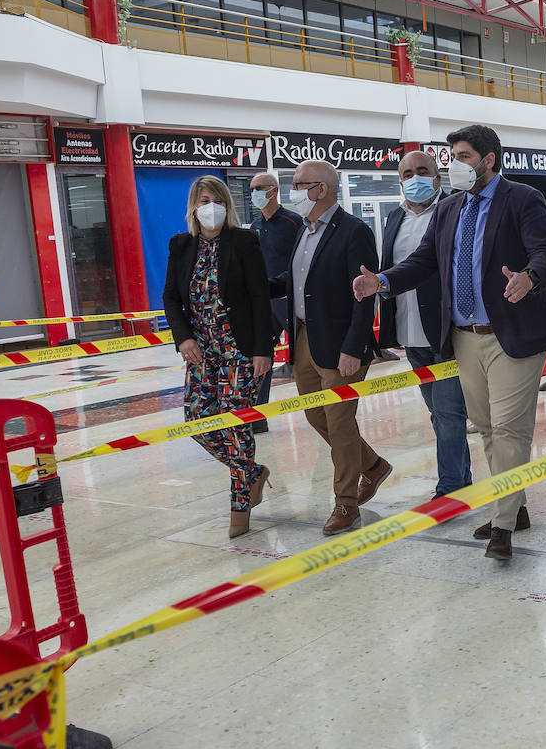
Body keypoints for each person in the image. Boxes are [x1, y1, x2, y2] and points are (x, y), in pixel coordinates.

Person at [353, 124, 546, 562]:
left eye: (463, 156)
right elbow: (424, 260)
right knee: (486, 428)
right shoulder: (449, 208)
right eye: (452, 158)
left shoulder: (522, 198)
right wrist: (383, 281)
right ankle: (515, 505)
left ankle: (502, 524)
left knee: (509, 428)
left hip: (512, 335)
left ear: (488, 160)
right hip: (464, 338)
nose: (454, 166)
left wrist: (530, 278)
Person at [274, 159, 388, 536]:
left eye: (299, 184)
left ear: (321, 189)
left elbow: (364, 296)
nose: (293, 191)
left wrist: (353, 346)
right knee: (316, 416)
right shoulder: (303, 231)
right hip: (305, 338)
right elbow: (298, 283)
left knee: (339, 424)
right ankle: (373, 465)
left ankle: (346, 503)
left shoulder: (354, 231)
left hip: (341, 345)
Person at [163, 177, 275, 539]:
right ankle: (252, 474)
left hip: (238, 351)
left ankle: (239, 510)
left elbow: (259, 296)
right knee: (197, 420)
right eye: (203, 201)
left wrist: (263, 350)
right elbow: (170, 297)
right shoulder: (181, 245)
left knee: (235, 425)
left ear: (227, 204)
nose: (210, 207)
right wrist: (183, 338)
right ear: (193, 207)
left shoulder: (243, 241)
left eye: (217, 200)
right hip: (201, 352)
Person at [376, 150, 472, 499]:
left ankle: (450, 487)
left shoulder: (456, 209)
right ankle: (461, 478)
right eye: (407, 174)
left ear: (437, 177)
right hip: (409, 332)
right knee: (438, 413)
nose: (414, 178)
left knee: (448, 413)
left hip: (446, 331)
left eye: (422, 171)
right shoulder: (394, 217)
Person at [248, 171, 303, 434]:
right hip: (263, 302)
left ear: (274, 190)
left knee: (305, 354)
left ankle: (322, 405)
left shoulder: (294, 222)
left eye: (260, 188)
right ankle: (257, 416)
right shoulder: (254, 226)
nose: (255, 193)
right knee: (260, 354)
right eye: (252, 189)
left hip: (291, 299)